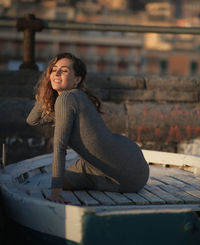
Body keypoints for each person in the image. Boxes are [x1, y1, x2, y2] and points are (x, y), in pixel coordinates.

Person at [26, 52, 149, 204]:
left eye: (64, 70)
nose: (56, 73)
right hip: (137, 170)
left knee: (58, 182)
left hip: (119, 171)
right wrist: (48, 91)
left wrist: (56, 192)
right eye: (53, 69)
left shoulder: (66, 98)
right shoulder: (78, 97)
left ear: (77, 79)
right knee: (70, 176)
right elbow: (32, 120)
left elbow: (59, 146)